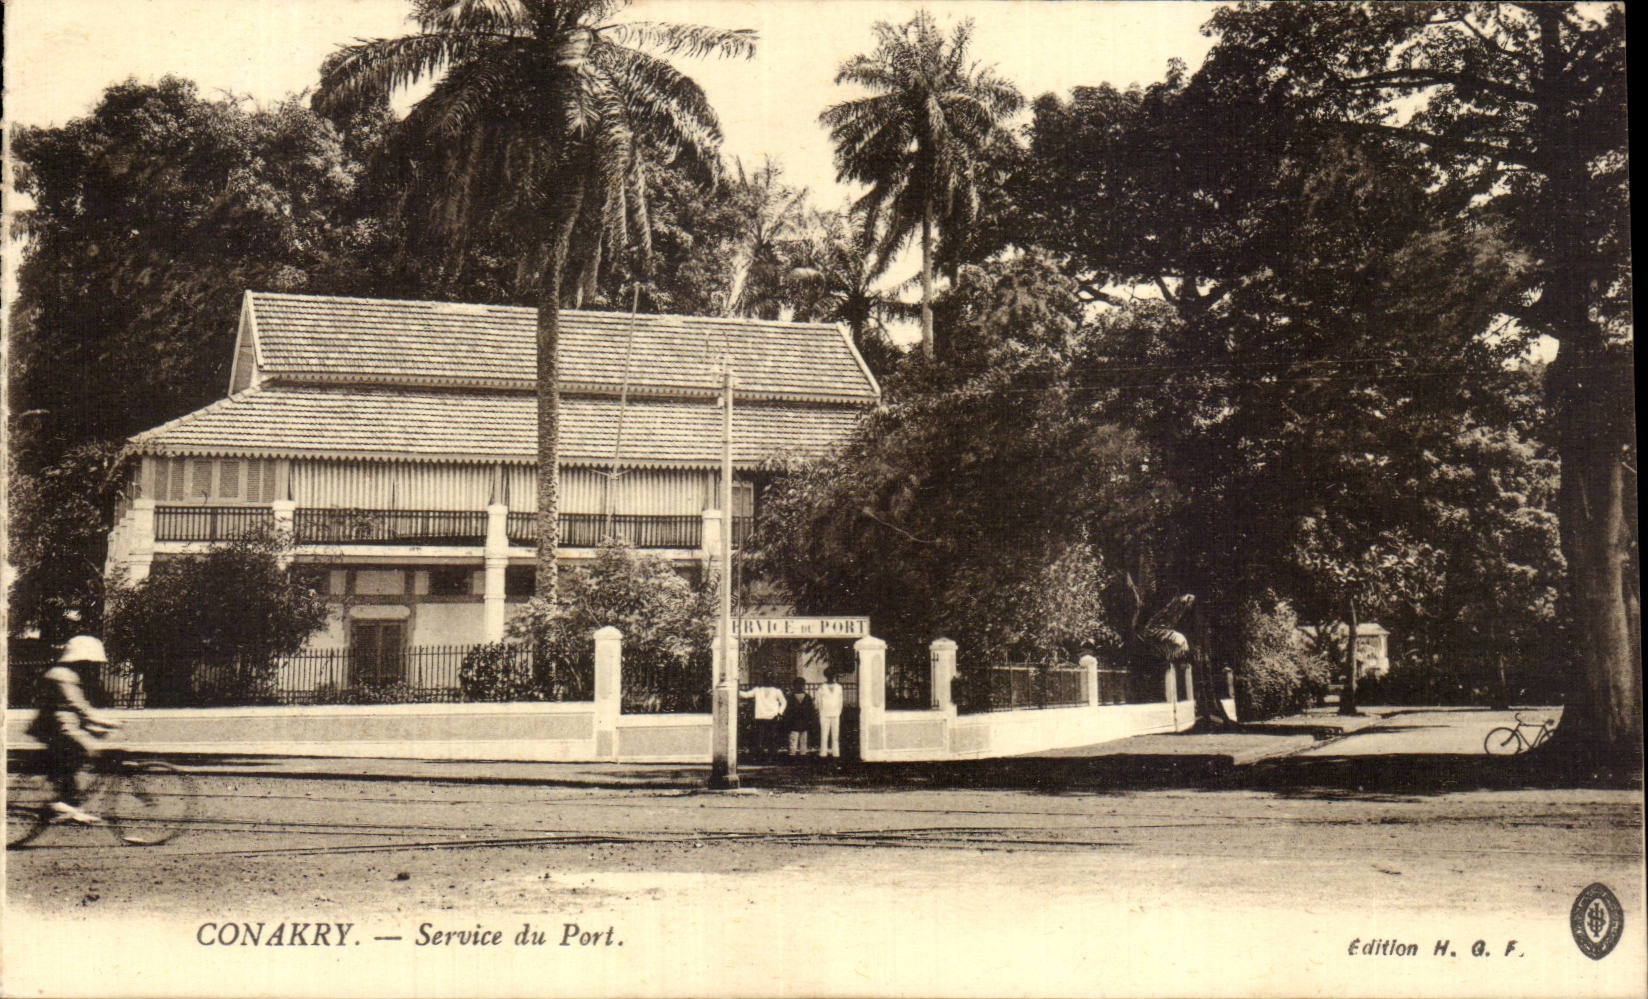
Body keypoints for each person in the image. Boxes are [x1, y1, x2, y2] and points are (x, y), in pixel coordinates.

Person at [25, 635, 123, 824]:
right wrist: (107, 722)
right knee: (84, 753)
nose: (93, 666)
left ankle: (71, 806)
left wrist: (98, 724)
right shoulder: (62, 675)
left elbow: (77, 709)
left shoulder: (69, 675)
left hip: (62, 725)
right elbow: (77, 706)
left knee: (74, 763)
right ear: (81, 659)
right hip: (56, 728)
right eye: (90, 661)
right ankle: (61, 804)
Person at [738, 684, 787, 759]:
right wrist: (736, 690)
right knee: (759, 738)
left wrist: (779, 713)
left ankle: (772, 757)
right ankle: (760, 757)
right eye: (766, 677)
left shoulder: (777, 691)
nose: (768, 679)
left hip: (772, 717)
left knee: (772, 738)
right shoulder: (757, 690)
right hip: (760, 717)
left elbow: (784, 702)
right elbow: (746, 695)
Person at [815, 672, 845, 759]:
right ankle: (823, 753)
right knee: (824, 733)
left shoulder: (839, 687)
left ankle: (836, 753)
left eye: (832, 675)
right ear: (826, 676)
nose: (831, 677)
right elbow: (818, 701)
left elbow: (840, 701)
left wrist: (839, 712)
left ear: (835, 676)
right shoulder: (822, 687)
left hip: (836, 713)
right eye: (829, 675)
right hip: (824, 713)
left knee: (835, 734)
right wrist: (820, 711)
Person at [783, 678, 816, 757]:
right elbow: (787, 711)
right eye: (798, 684)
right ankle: (792, 755)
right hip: (793, 722)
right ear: (794, 686)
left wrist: (810, 720)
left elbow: (811, 710)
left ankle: (803, 755)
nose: (800, 686)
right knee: (793, 740)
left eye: (802, 684)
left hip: (804, 722)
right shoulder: (790, 697)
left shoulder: (807, 697)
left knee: (803, 740)